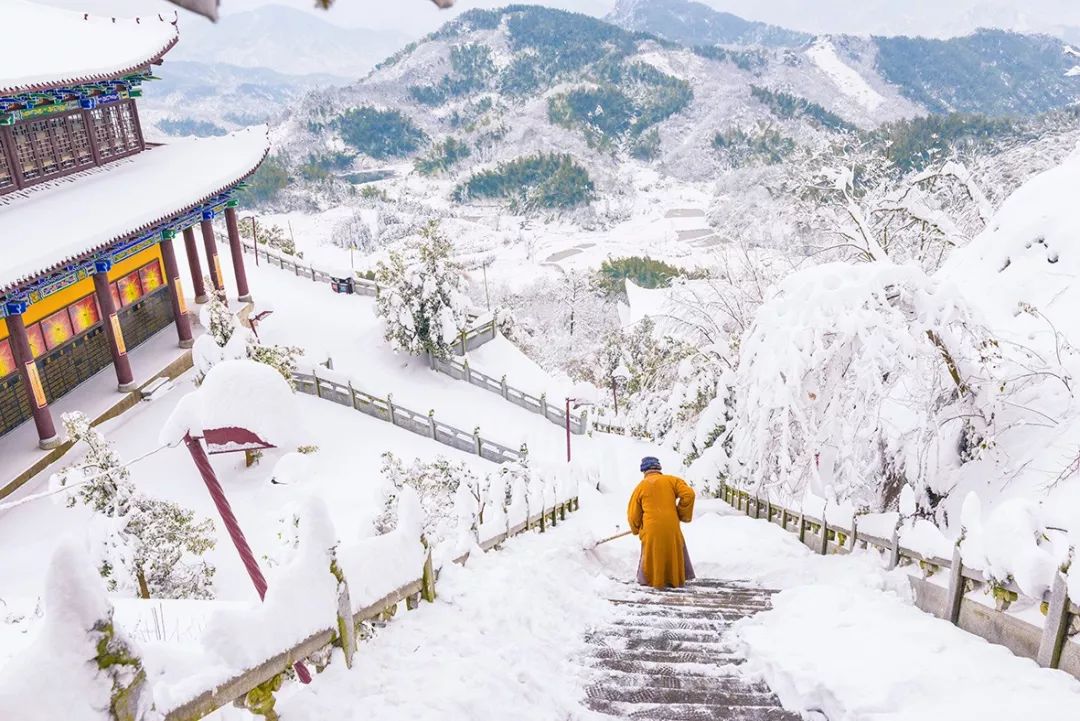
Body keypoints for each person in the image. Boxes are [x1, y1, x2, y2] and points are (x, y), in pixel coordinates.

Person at [627, 456, 696, 588]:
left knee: (652, 553)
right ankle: (674, 579)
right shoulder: (672, 480)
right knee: (673, 549)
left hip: (651, 528)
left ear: (644, 471)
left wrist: (636, 528)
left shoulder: (640, 487)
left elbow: (633, 514)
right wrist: (681, 514)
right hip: (671, 526)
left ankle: (653, 581)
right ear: (658, 468)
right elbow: (689, 494)